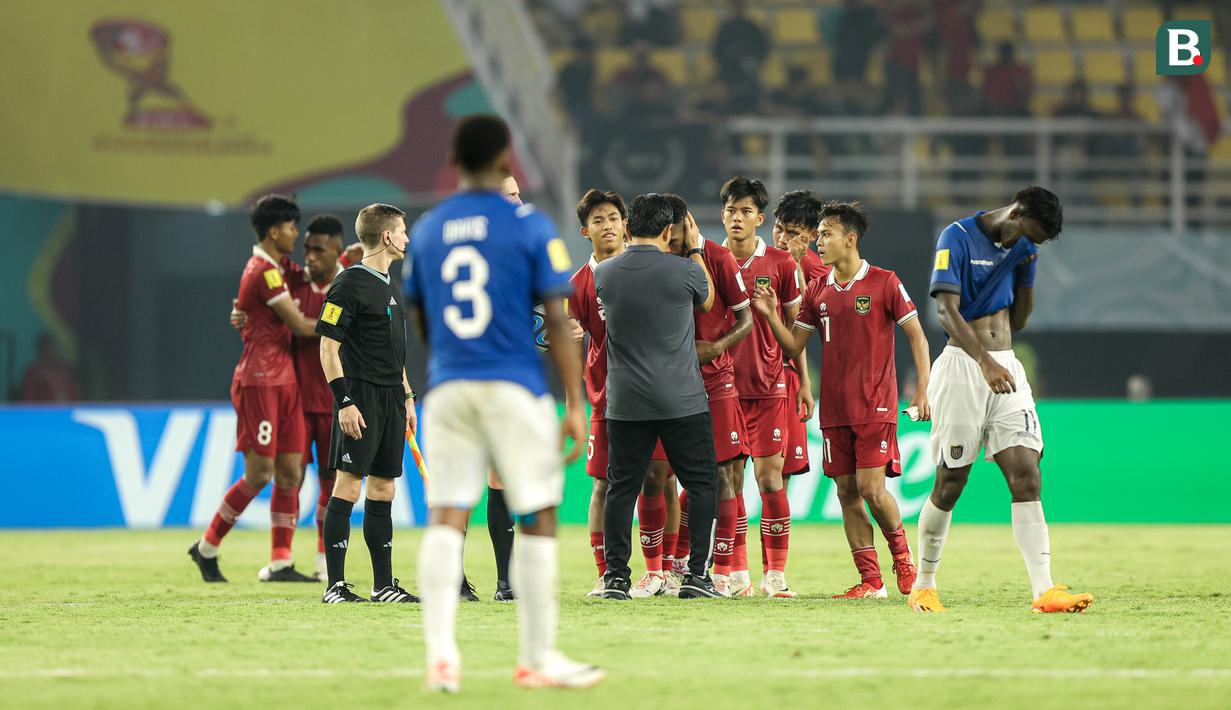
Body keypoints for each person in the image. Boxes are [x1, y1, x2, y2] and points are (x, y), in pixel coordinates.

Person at [408, 114, 601, 692]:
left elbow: (421, 321)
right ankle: (536, 658)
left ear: (454, 162)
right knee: (537, 512)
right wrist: (574, 402)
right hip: (514, 384)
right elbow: (561, 323)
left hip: (447, 386)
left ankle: (442, 655)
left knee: (447, 513)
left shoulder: (427, 231)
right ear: (503, 161)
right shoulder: (530, 227)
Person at [912, 186, 1094, 614]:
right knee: (951, 481)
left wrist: (1028, 267)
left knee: (1026, 474)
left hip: (1007, 365)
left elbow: (1021, 319)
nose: (1024, 242)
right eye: (1025, 233)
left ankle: (1044, 590)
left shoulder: (1024, 248)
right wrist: (984, 363)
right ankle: (924, 585)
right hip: (962, 367)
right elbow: (945, 312)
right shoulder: (955, 237)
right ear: (1016, 212)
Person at [754, 201, 929, 599]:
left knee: (871, 488)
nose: (819, 241)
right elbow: (793, 346)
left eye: (826, 234)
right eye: (817, 234)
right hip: (835, 411)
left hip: (875, 405)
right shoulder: (817, 290)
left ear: (850, 239)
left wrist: (922, 388)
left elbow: (917, 334)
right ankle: (871, 581)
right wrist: (769, 314)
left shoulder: (884, 282)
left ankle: (904, 560)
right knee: (846, 492)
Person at [595, 193, 724, 601]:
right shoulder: (685, 270)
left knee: (622, 488)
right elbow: (707, 301)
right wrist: (699, 247)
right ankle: (696, 577)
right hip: (681, 398)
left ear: (629, 228)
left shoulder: (606, 274)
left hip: (626, 401)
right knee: (703, 484)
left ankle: (616, 578)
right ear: (670, 231)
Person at [189, 195, 318, 584]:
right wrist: (344, 321)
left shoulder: (279, 267)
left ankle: (280, 562)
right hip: (260, 382)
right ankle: (207, 546)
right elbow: (297, 324)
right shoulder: (261, 270)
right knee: (259, 474)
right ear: (275, 231)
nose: (297, 234)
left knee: (291, 472)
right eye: (293, 228)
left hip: (287, 381)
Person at [643, 193, 753, 599]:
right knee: (658, 475)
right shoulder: (656, 260)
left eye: (672, 237)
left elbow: (746, 318)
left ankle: (722, 570)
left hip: (714, 383)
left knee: (726, 475)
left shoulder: (719, 260)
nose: (667, 244)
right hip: (666, 384)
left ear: (684, 226)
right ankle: (669, 568)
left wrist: (717, 346)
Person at [229, 214, 347, 581]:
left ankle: (325, 561)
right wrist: (242, 314)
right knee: (288, 478)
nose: (308, 256)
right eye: (307, 247)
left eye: (318, 250)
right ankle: (280, 557)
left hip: (330, 400)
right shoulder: (290, 279)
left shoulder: (350, 283)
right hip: (294, 397)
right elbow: (263, 309)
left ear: (337, 253)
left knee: (331, 482)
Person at [315, 203, 418, 605]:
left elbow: (395, 351)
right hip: (360, 396)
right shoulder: (348, 284)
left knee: (384, 488)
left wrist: (407, 396)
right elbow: (327, 348)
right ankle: (335, 586)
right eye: (403, 230)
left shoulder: (391, 282)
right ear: (387, 236)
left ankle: (384, 586)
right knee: (349, 484)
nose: (407, 237)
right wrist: (343, 402)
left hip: (393, 397)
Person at [720, 177, 810, 598]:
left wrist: (805, 384)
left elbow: (796, 334)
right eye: (730, 211)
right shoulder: (708, 261)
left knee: (770, 479)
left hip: (771, 386)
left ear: (760, 218)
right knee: (729, 480)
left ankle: (775, 574)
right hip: (721, 389)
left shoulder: (781, 264)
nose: (737, 218)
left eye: (745, 212)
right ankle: (737, 573)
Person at [569, 189, 629, 598]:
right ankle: (606, 571)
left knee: (660, 480)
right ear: (584, 231)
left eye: (613, 217)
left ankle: (666, 570)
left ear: (626, 223)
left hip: (657, 393)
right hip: (607, 398)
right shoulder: (577, 285)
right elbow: (560, 345)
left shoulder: (648, 267)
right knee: (603, 485)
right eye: (598, 220)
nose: (607, 225)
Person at [771, 190, 828, 485]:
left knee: (783, 473)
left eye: (792, 232)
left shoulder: (817, 269)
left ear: (811, 236)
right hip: (744, 373)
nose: (781, 238)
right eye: (778, 228)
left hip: (786, 374)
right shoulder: (760, 257)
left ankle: (775, 532)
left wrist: (794, 267)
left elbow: (816, 319)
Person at [19, 333, 79, 402]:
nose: (51, 351)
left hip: (67, 410)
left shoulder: (65, 370)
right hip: (45, 411)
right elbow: (28, 399)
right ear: (41, 350)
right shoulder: (33, 372)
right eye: (47, 348)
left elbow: (74, 392)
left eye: (53, 347)